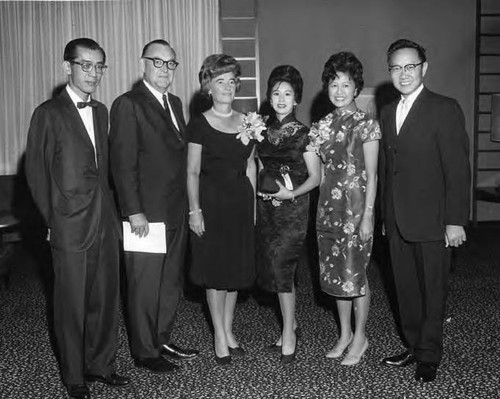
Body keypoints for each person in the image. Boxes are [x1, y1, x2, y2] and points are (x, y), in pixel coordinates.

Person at [25, 38, 128, 399]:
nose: (94, 73)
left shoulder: (100, 111)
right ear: (66, 67)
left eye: (100, 66)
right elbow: (36, 174)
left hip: (104, 220)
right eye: (86, 65)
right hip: (68, 225)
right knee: (70, 305)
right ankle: (74, 376)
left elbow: (104, 171)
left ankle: (101, 365)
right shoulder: (48, 113)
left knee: (105, 298)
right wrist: (52, 219)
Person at [379, 39, 470, 382]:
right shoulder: (387, 112)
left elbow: (458, 169)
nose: (403, 74)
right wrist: (387, 217)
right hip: (398, 220)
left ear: (424, 68)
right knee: (406, 289)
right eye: (396, 67)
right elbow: (388, 171)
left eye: (410, 66)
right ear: (389, 72)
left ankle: (429, 355)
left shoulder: (444, 108)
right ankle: (414, 345)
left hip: (434, 220)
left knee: (432, 289)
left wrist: (455, 221)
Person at [109, 39, 198, 374]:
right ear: (143, 64)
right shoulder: (128, 104)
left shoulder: (174, 103)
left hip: (175, 209)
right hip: (145, 214)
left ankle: (161, 337)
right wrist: (134, 212)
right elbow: (123, 163)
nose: (165, 70)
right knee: (145, 285)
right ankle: (144, 351)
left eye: (171, 64)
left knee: (169, 282)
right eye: (158, 62)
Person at [309, 52, 380, 366]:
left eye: (346, 84)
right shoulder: (321, 125)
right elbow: (315, 171)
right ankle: (345, 333)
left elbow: (373, 173)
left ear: (356, 88)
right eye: (333, 84)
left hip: (356, 209)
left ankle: (361, 336)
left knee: (357, 275)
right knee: (337, 277)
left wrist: (367, 215)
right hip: (327, 210)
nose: (339, 90)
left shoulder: (367, 124)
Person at [187, 54, 257, 365]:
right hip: (211, 203)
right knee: (215, 273)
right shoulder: (199, 124)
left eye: (231, 81)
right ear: (208, 86)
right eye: (220, 81)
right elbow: (191, 171)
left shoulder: (247, 121)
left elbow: (252, 166)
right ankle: (218, 333)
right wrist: (194, 210)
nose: (227, 87)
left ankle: (228, 330)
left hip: (240, 203)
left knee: (233, 273)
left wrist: (253, 208)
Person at [256, 65, 321, 365]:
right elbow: (257, 165)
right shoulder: (260, 131)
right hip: (267, 208)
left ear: (297, 100)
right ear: (269, 97)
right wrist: (259, 187)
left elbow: (316, 177)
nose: (281, 98)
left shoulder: (305, 134)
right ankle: (290, 324)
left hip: (293, 209)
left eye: (288, 94)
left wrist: (290, 194)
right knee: (273, 267)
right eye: (276, 93)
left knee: (283, 266)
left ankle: (289, 332)